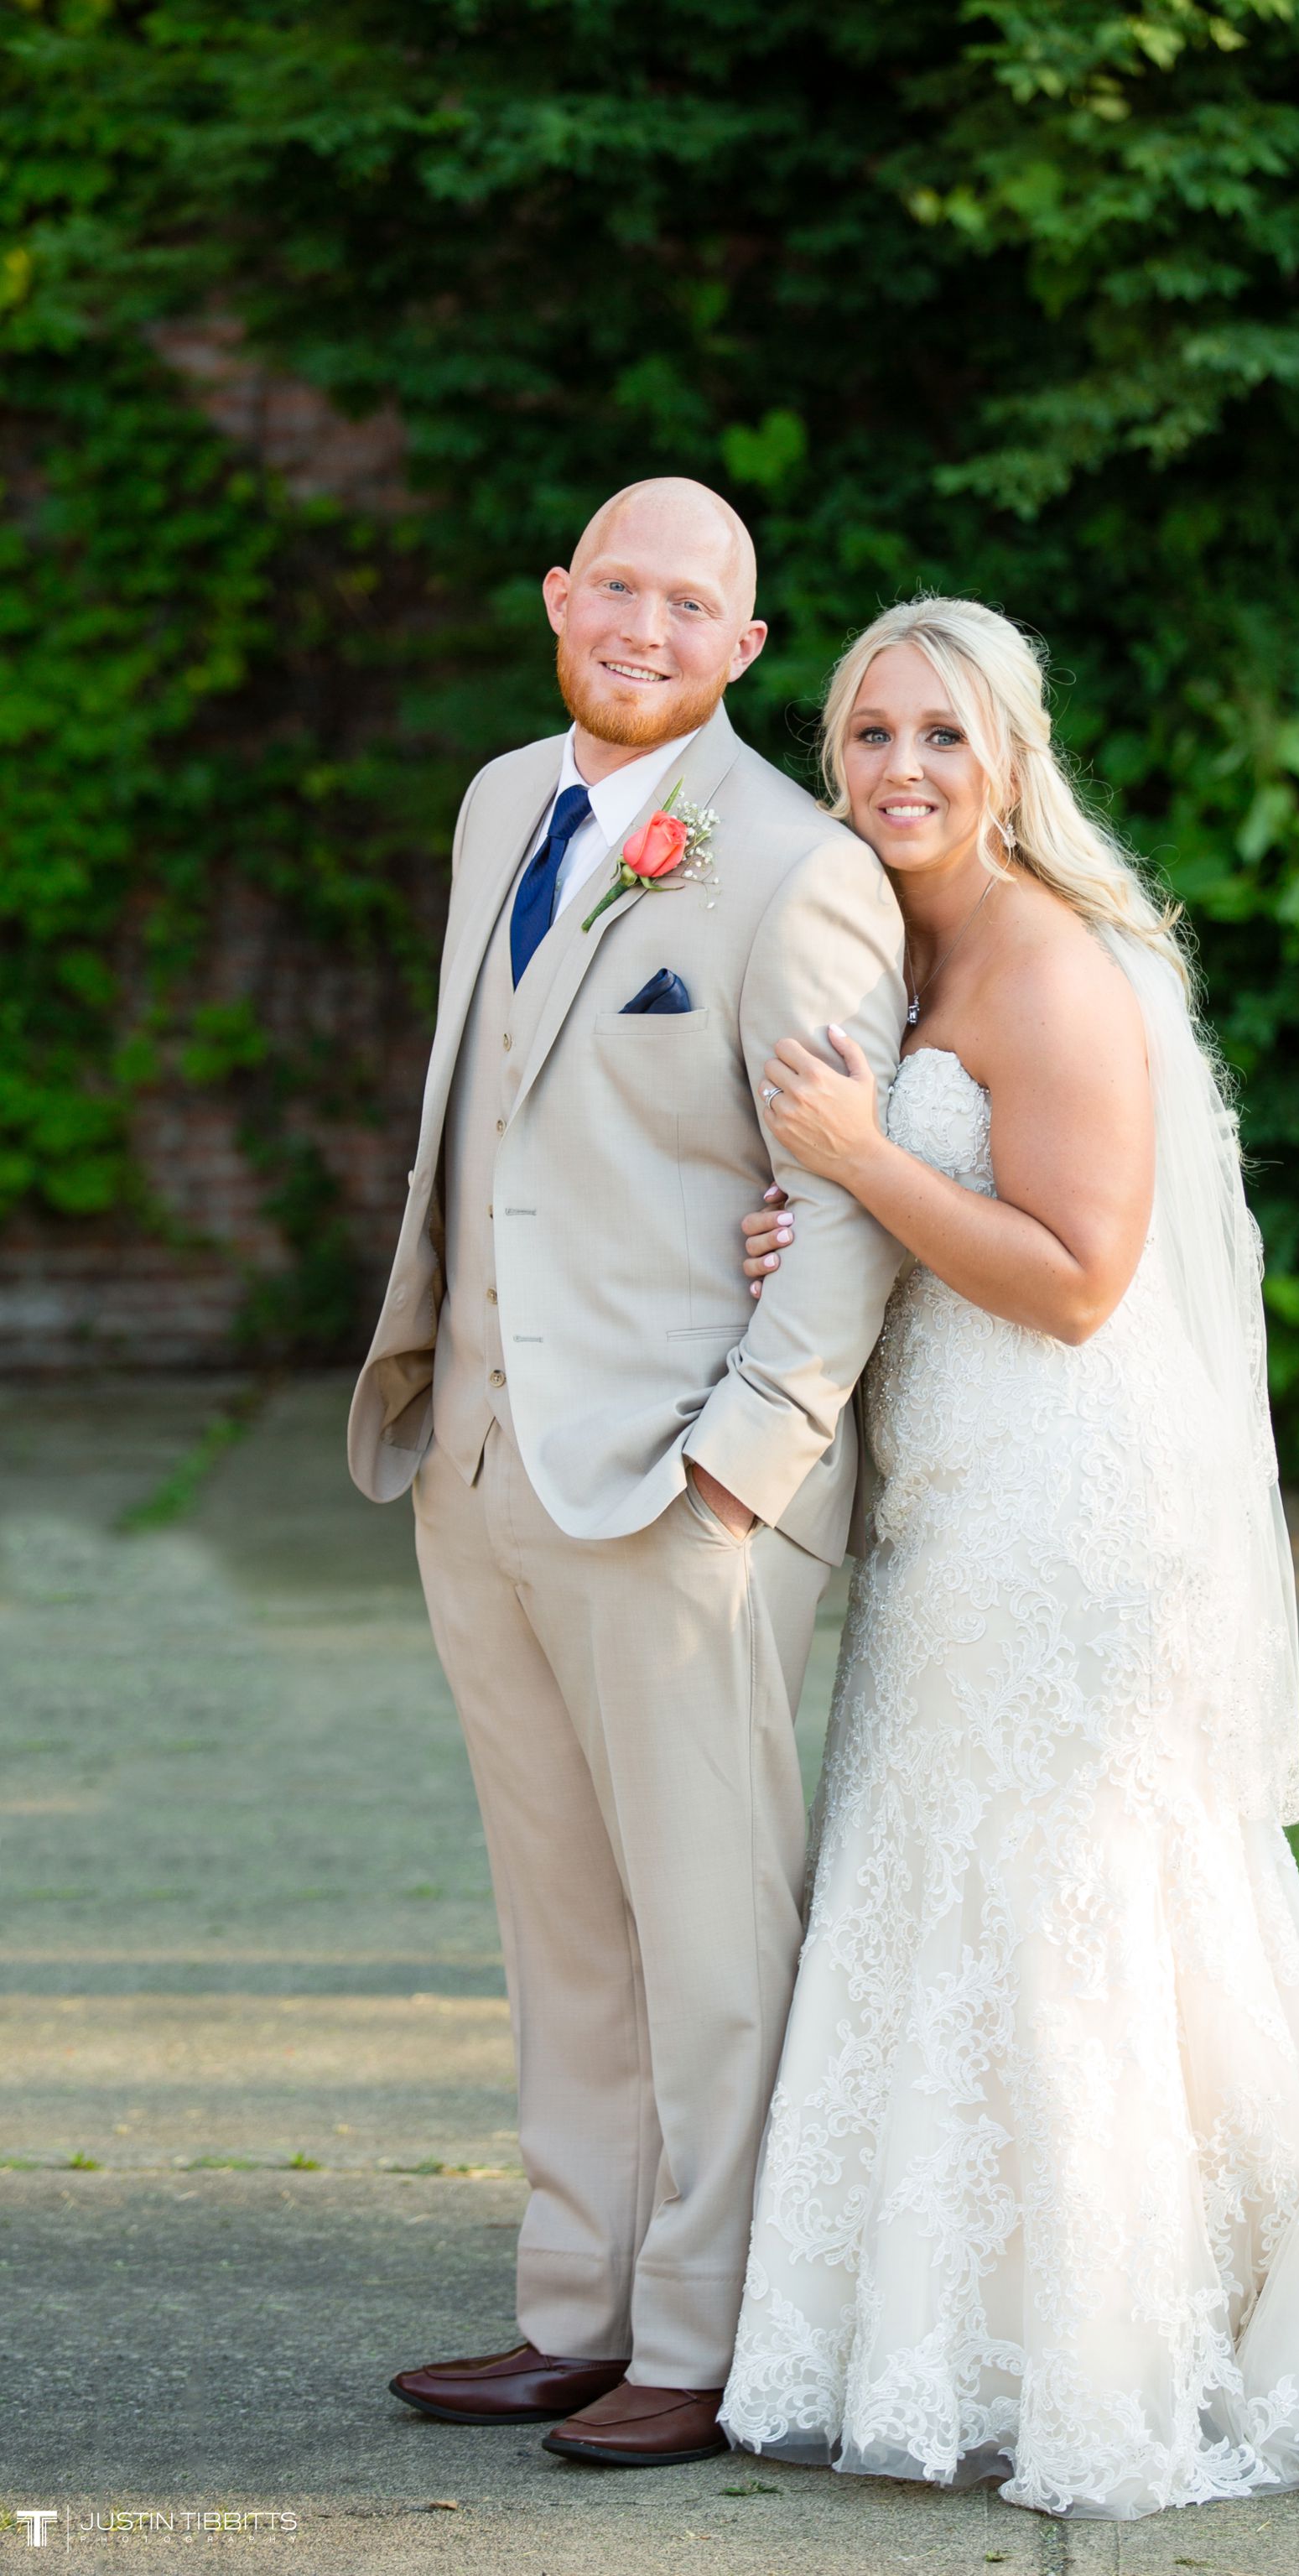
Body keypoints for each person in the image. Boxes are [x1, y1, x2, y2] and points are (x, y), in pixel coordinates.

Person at [717, 597, 1299, 2517]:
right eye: (869, 733)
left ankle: (1115, 2354)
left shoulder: (1045, 962)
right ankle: (957, 2337)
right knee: (948, 1890)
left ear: (1009, 757)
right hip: (952, 1500)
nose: (902, 768)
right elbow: (930, 1211)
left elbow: (1078, 1277)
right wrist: (823, 1223)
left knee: (1067, 1913)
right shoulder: (891, 944)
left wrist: (863, 1165)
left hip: (1063, 1513)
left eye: (943, 734)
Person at [346, 480, 906, 2469]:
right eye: (617, 587)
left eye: (691, 602)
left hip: (681, 1490)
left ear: (743, 648)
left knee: (710, 1938)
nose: (644, 626)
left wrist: (740, 1472)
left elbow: (843, 1205)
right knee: (562, 1922)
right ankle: (571, 2310)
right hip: (481, 1462)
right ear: (557, 598)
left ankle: (705, 2336)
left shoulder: (800, 867)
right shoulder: (501, 801)